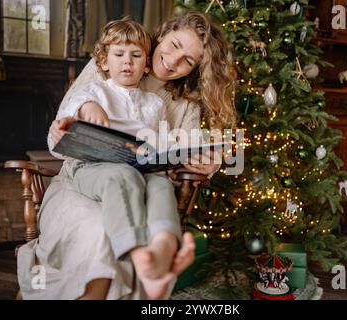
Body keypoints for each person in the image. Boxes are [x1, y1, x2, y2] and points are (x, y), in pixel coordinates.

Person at [17, 11, 237, 300]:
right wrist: (73, 123)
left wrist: (210, 162)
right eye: (174, 45)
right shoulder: (115, 59)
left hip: (144, 184)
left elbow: (185, 147)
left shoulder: (182, 103)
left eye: (188, 60)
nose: (172, 61)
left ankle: (160, 256)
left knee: (152, 195)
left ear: (196, 69)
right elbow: (63, 130)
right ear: (163, 34)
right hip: (81, 183)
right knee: (101, 229)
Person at [58, 17, 190, 299]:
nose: (127, 62)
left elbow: (158, 139)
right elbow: (71, 110)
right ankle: (137, 252)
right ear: (104, 62)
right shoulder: (94, 90)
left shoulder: (154, 104)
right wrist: (88, 107)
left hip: (141, 168)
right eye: (119, 55)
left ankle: (164, 247)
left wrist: (168, 150)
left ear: (146, 65)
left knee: (161, 185)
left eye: (136, 55)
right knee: (123, 175)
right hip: (94, 167)